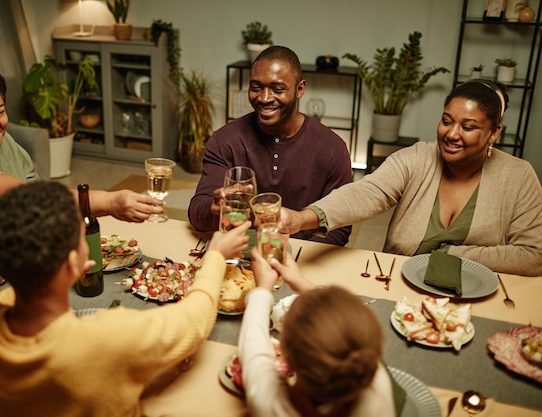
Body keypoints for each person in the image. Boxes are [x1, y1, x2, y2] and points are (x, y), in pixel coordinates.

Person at [0, 181, 252, 417]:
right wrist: (215, 256)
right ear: (73, 264)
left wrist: (31, 271)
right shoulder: (107, 337)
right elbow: (192, 321)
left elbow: (11, 295)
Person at [0, 58, 164, 280]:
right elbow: (28, 203)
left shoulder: (2, 141)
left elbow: (38, 190)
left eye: (0, 112)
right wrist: (110, 202)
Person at [281, 79, 542, 276]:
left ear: (494, 132)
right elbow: (367, 192)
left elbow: (534, 255)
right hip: (398, 285)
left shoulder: (519, 177)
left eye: (468, 127)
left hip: (479, 295)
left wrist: (451, 255)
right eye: (446, 121)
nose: (451, 134)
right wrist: (302, 218)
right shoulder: (418, 158)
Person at [188, 46, 353, 246]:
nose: (264, 98)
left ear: (300, 89)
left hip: (301, 259)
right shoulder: (225, 140)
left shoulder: (332, 148)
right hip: (239, 251)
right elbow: (197, 215)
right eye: (256, 87)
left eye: (278, 89)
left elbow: (341, 225)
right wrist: (212, 208)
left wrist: (300, 266)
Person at [238, 247, 396, 417]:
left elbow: (253, 341)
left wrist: (263, 288)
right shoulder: (378, 388)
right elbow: (346, 324)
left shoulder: (269, 404)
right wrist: (299, 281)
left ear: (286, 361)